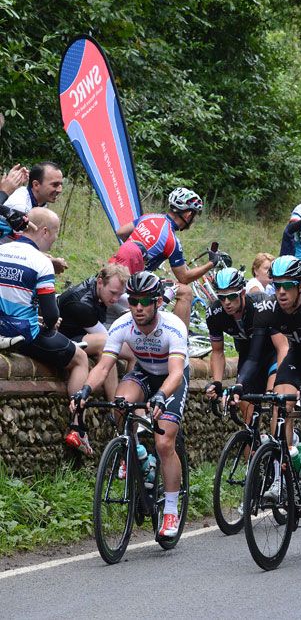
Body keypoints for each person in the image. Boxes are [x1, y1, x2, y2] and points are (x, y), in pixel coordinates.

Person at [71, 271, 190, 537]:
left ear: (158, 302)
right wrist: (85, 391)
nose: (138, 307)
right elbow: (104, 366)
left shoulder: (173, 327)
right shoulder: (123, 324)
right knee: (120, 403)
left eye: (145, 301)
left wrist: (161, 395)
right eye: (134, 299)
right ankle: (134, 451)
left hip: (171, 376)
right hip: (145, 371)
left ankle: (170, 511)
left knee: (164, 442)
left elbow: (175, 373)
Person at [230, 256, 301, 520]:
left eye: (288, 286)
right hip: (298, 358)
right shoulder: (269, 309)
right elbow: (253, 357)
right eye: (277, 285)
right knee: (280, 406)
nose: (281, 291)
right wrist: (239, 384)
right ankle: (286, 462)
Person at [1, 208, 91, 447]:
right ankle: (77, 427)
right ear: (43, 231)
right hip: (23, 335)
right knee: (80, 358)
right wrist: (49, 324)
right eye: (55, 233)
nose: (55, 239)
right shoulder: (41, 262)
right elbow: (51, 313)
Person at [110, 187, 215, 327]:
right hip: (130, 287)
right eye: (194, 216)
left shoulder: (149, 217)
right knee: (185, 291)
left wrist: (139, 249)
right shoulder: (171, 240)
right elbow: (184, 278)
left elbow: (121, 232)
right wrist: (211, 263)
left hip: (111, 271)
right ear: (189, 214)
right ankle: (180, 340)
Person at [205, 267, 288, 423]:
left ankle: (280, 442)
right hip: (248, 355)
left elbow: (282, 347)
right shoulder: (214, 313)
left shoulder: (262, 305)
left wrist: (281, 377)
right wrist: (217, 383)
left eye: (231, 296)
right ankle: (254, 444)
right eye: (222, 297)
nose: (227, 302)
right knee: (245, 406)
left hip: (272, 353)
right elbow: (217, 352)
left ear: (243, 293)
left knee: (275, 401)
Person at [57, 263, 132, 400]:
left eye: (119, 294)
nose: (115, 299)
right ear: (100, 282)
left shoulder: (101, 287)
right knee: (106, 344)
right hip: (63, 339)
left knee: (133, 350)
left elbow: (129, 300)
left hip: (80, 335)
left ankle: (130, 399)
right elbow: (108, 338)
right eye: (113, 293)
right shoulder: (82, 304)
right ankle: (114, 406)